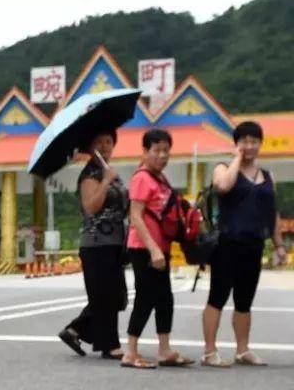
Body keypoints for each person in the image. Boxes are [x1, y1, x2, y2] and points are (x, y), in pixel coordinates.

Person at [201, 121, 287, 367]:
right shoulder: (223, 168)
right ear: (236, 144)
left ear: (261, 144)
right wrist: (237, 159)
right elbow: (223, 186)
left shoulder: (268, 176)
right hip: (228, 243)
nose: (249, 146)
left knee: (244, 300)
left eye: (254, 141)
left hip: (254, 243)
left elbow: (273, 214)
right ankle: (209, 351)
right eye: (244, 141)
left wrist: (279, 245)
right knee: (217, 297)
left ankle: (242, 349)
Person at [121, 129, 194, 369]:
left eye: (166, 151)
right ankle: (130, 351)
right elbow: (136, 216)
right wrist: (153, 249)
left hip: (160, 247)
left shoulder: (160, 178)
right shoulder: (142, 178)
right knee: (146, 297)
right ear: (145, 152)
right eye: (157, 151)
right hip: (144, 247)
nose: (162, 156)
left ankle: (164, 350)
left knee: (165, 298)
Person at [59, 130, 127, 360]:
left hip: (116, 241)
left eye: (109, 142)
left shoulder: (111, 173)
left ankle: (76, 330)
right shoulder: (91, 174)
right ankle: (109, 345)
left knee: (114, 295)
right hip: (96, 243)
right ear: (90, 147)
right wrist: (106, 181)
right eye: (99, 142)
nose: (106, 146)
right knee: (104, 295)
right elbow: (91, 206)